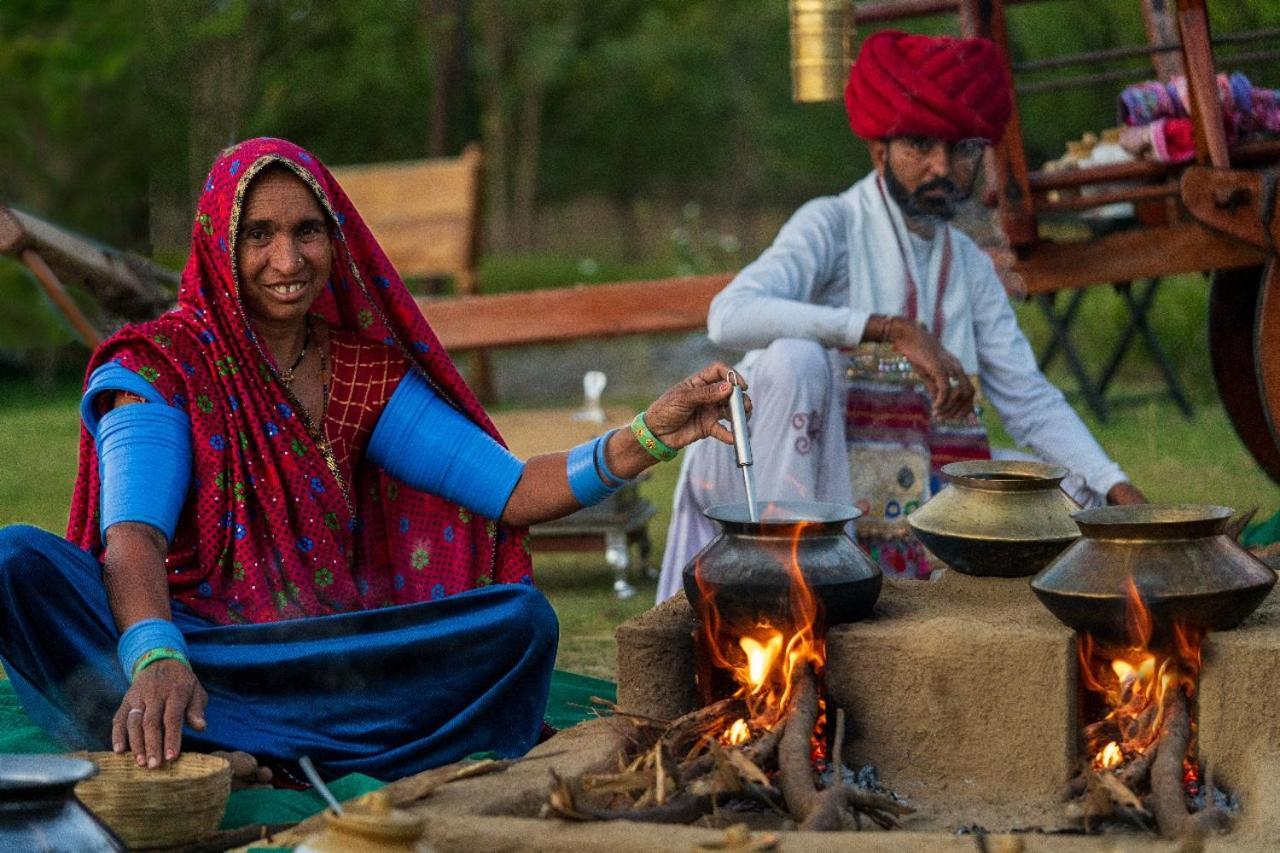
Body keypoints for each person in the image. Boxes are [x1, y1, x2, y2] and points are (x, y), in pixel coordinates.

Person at [0, 137, 746, 784]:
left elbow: (514, 490)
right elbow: (134, 539)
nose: (287, 260)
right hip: (171, 646)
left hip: (311, 658)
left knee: (520, 621)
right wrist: (159, 655)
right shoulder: (164, 364)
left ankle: (227, 746)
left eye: (306, 231)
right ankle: (221, 734)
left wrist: (653, 431)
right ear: (219, 244)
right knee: (17, 560)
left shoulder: (361, 374)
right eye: (258, 234)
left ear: (338, 239)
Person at [657, 30, 1145, 600]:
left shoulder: (968, 263)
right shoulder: (831, 224)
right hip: (770, 475)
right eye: (920, 145)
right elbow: (728, 316)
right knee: (795, 361)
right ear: (879, 150)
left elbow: (1028, 398)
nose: (943, 167)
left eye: (962, 148)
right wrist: (887, 328)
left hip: (902, 481)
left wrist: (1118, 489)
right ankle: (778, 591)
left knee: (1065, 496)